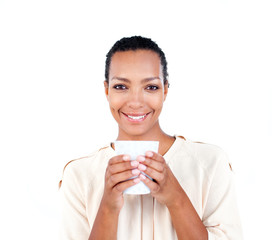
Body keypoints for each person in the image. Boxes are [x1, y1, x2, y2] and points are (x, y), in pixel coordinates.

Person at [59, 36, 243, 240]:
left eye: (151, 87)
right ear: (106, 90)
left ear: (165, 90)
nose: (135, 102)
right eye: (121, 86)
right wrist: (108, 207)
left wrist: (176, 198)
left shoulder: (210, 163)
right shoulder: (78, 174)